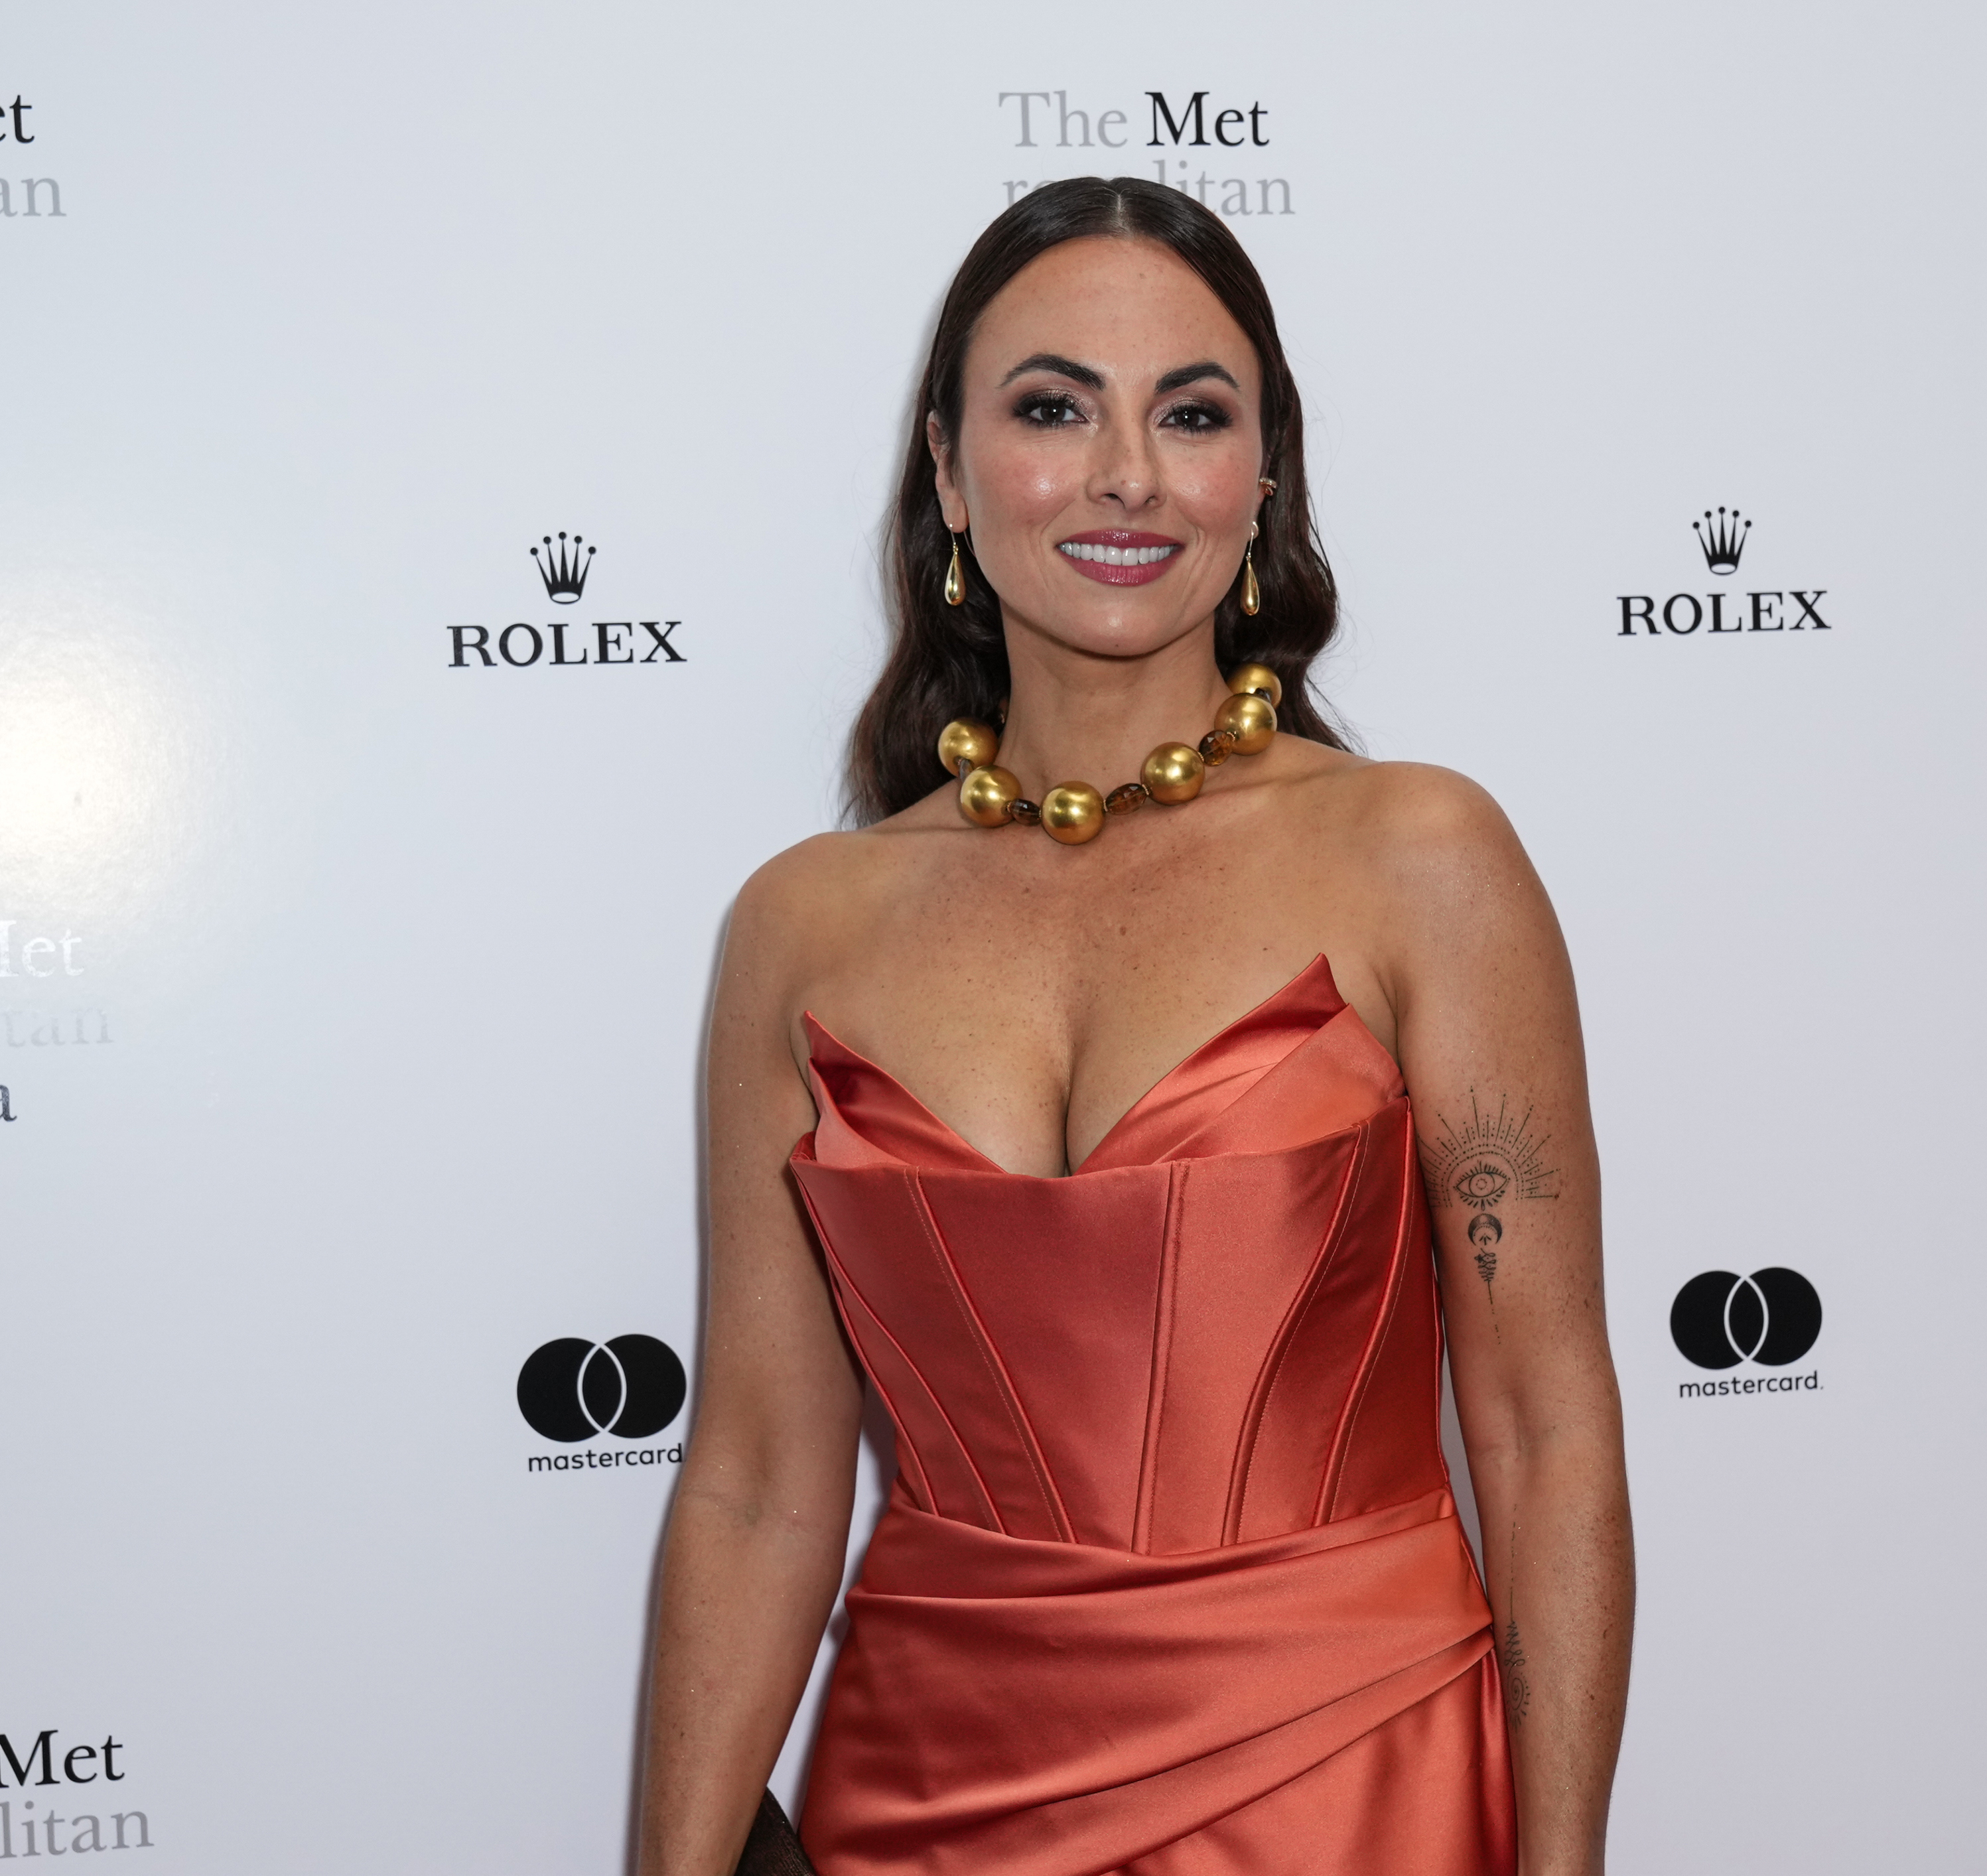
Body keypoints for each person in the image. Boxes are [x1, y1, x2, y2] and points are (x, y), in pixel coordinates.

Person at [638, 177, 1633, 1876]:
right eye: (1050, 408)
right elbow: (752, 1481)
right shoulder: (801, 928)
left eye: (1192, 414)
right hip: (929, 1800)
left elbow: (1543, 1437)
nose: (1125, 475)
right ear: (948, 471)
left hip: (1349, 1793)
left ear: (1264, 480)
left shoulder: (1419, 858)